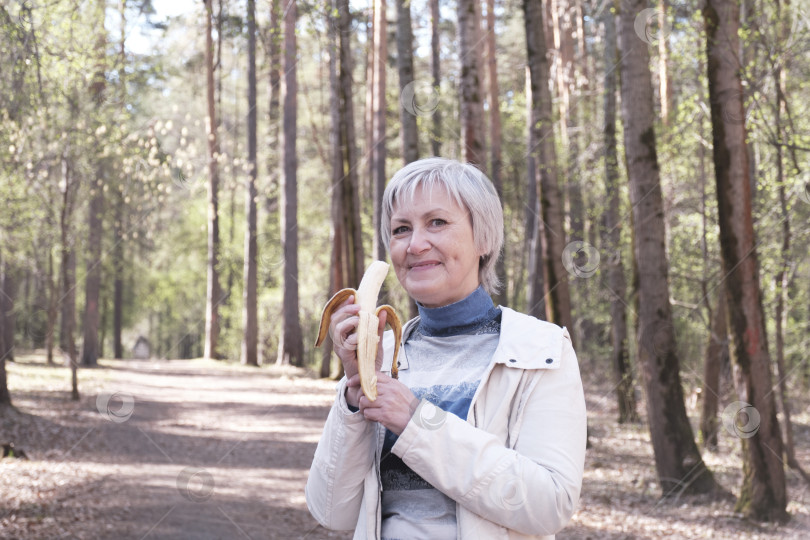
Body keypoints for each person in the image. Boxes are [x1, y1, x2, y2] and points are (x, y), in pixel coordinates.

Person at [306, 157, 586, 539]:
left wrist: (417, 422)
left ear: (483, 238)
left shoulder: (540, 349)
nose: (415, 244)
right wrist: (355, 394)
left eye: (437, 222)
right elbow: (332, 512)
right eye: (401, 229)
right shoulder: (385, 354)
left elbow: (549, 505)